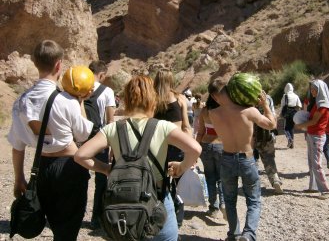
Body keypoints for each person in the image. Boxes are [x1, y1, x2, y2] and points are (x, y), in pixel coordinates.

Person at [74, 75, 202, 241]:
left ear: (126, 100)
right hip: (158, 200)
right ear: (153, 100)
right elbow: (195, 149)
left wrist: (106, 169)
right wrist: (181, 167)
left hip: (124, 208)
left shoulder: (112, 129)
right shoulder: (162, 127)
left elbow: (80, 155)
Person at [8, 40, 94, 240]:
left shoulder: (21, 101)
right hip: (70, 168)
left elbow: (17, 145)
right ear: (58, 65)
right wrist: (80, 101)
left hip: (41, 167)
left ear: (35, 63)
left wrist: (19, 178)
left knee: (44, 219)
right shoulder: (67, 100)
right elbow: (83, 135)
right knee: (66, 229)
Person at [209, 80, 277, 241]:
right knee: (253, 200)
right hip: (246, 158)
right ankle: (248, 234)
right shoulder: (249, 111)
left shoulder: (213, 114)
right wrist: (265, 105)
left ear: (214, 96)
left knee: (230, 200)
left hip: (226, 158)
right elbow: (272, 124)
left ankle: (233, 234)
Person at [153, 69, 192, 227]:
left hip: (157, 146)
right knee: (177, 182)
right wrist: (190, 150)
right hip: (176, 146)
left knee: (159, 182)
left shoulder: (152, 100)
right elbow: (186, 126)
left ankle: (160, 216)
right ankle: (178, 219)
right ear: (171, 80)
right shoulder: (180, 98)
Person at [87, 60, 116, 229]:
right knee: (101, 180)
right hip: (99, 140)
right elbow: (110, 122)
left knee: (78, 178)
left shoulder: (79, 88)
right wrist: (111, 146)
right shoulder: (107, 92)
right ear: (102, 74)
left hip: (79, 140)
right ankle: (96, 218)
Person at [295, 79, 329, 200]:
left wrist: (300, 126)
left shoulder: (323, 104)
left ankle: (326, 190)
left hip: (317, 136)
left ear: (319, 90)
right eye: (311, 89)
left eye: (314, 89)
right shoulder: (316, 103)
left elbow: (314, 121)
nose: (312, 91)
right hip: (312, 134)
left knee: (316, 163)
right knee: (312, 162)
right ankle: (314, 187)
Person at [195, 94, 225, 219]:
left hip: (206, 146)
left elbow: (201, 132)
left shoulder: (204, 110)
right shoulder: (224, 111)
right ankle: (224, 203)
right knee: (222, 178)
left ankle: (213, 208)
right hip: (221, 146)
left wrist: (195, 150)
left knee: (210, 178)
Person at [304, 85, 329, 175]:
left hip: (316, 129)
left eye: (313, 89)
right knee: (326, 145)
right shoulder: (327, 100)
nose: (312, 91)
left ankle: (314, 170)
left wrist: (302, 125)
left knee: (313, 149)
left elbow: (306, 113)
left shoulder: (313, 101)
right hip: (328, 125)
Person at [254, 94, 283, 194]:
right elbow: (273, 115)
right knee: (269, 159)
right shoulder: (268, 98)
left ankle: (253, 185)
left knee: (252, 160)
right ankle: (275, 180)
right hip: (266, 133)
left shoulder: (245, 98)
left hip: (251, 135)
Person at [280, 83, 302, 149]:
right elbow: (299, 106)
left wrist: (281, 113)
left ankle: (289, 139)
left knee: (285, 128)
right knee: (291, 128)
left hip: (287, 112)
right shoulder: (296, 96)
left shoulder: (285, 95)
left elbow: (282, 105)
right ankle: (292, 145)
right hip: (294, 113)